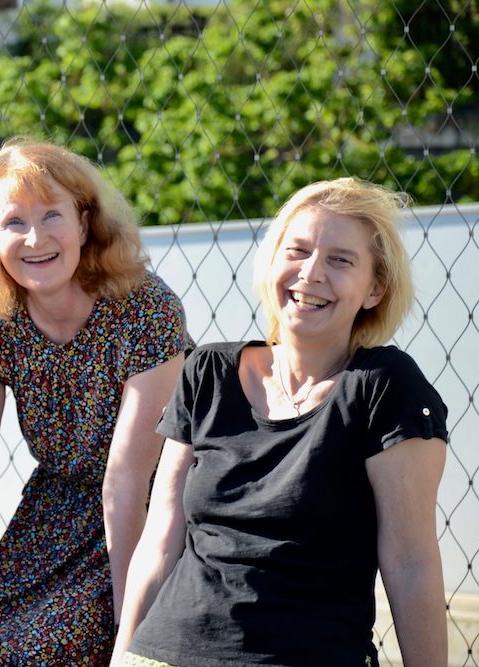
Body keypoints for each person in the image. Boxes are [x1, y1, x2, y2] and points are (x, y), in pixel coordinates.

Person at [113, 177, 449, 667]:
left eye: (340, 260)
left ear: (374, 289)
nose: (311, 273)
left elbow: (410, 561)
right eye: (297, 250)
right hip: (168, 651)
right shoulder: (207, 372)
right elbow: (161, 540)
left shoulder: (385, 386)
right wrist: (123, 656)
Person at [0, 139, 191, 664]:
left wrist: (131, 629)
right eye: (14, 222)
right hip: (53, 513)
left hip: (151, 513)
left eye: (52, 214)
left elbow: (126, 478)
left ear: (84, 221)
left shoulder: (144, 307)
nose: (35, 238)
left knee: (35, 652)